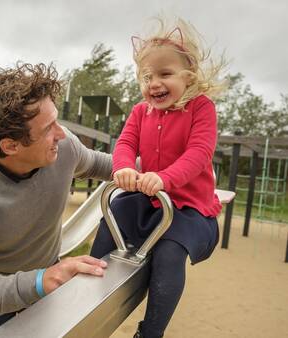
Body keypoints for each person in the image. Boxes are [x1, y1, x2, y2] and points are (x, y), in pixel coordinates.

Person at [0, 62, 112, 338]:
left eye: (57, 120)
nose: (62, 133)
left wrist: (165, 170)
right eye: (47, 129)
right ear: (11, 146)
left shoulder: (66, 149)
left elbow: (111, 166)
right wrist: (46, 279)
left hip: (47, 274)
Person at [90, 17, 228, 338]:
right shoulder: (141, 112)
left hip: (188, 206)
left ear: (189, 77)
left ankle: (150, 332)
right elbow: (125, 144)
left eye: (165, 74)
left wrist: (165, 178)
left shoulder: (201, 108)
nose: (154, 83)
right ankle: (85, 294)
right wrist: (124, 167)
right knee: (110, 220)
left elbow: (199, 154)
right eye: (147, 76)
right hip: (149, 198)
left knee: (169, 252)